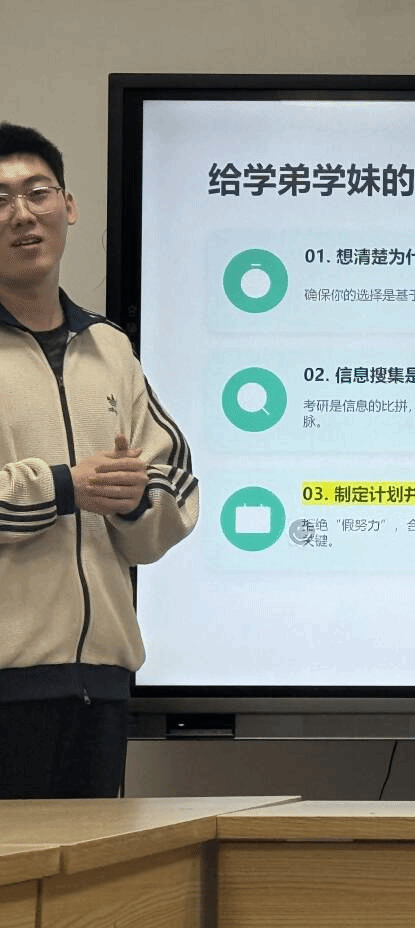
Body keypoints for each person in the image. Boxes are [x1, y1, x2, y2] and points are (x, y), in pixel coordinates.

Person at [0, 123, 198, 798]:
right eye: (0, 199)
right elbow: (70, 488)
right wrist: (64, 488)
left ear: (69, 205)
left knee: (90, 870)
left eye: (37, 192)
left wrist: (134, 497)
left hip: (100, 688)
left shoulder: (110, 347)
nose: (22, 214)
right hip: (7, 684)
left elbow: (176, 480)